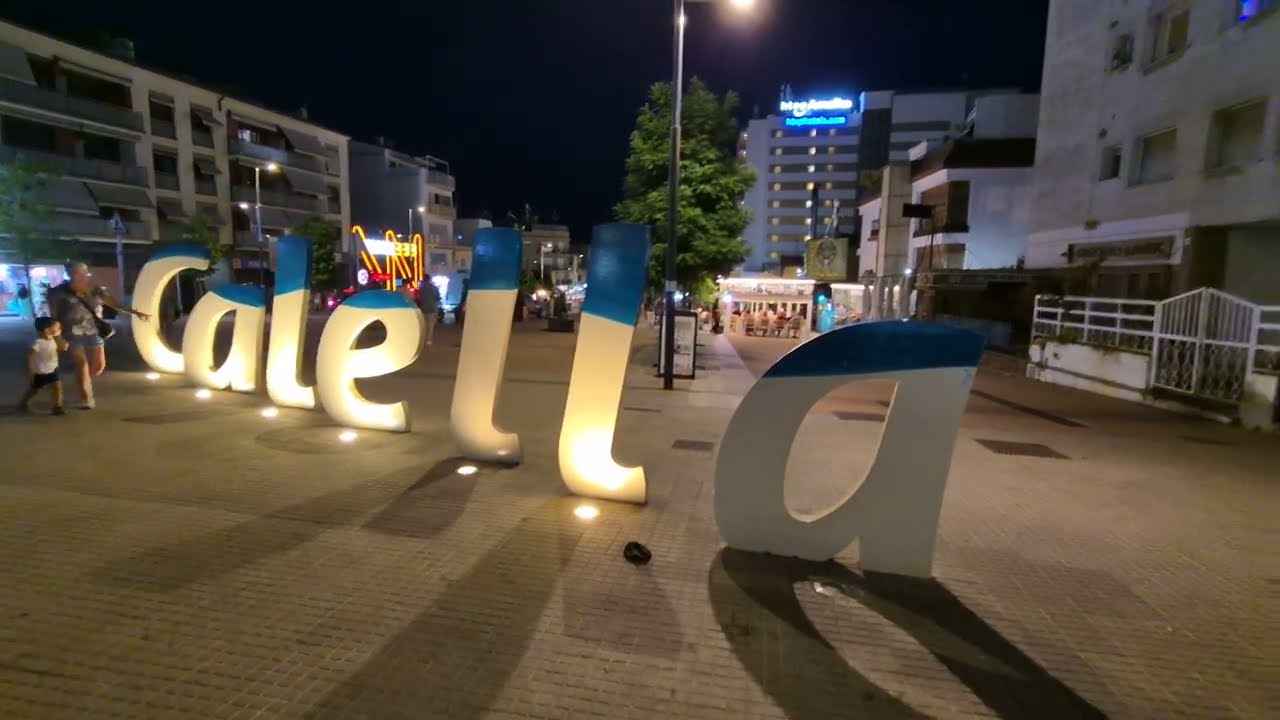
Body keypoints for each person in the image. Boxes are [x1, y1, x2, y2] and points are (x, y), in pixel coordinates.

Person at [47, 262, 149, 410]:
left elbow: (114, 304)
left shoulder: (95, 290)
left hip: (94, 331)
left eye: (84, 273)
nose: (82, 277)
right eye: (78, 273)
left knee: (98, 366)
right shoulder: (58, 292)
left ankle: (83, 383)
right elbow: (54, 316)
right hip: (71, 332)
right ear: (70, 274)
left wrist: (135, 312)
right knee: (81, 364)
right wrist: (57, 337)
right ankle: (86, 398)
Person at [18, 317, 68, 416]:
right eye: (57, 328)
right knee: (35, 389)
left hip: (53, 368)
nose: (59, 330)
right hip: (41, 371)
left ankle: (57, 407)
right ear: (47, 330)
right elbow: (30, 357)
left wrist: (63, 345)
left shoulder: (53, 339)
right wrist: (30, 370)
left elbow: (59, 350)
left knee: (57, 387)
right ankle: (23, 402)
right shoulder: (38, 343)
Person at [418, 280, 441, 345]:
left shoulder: (421, 289)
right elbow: (437, 297)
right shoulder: (434, 288)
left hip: (423, 308)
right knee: (431, 325)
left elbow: (419, 298)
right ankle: (428, 340)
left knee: (424, 325)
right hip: (432, 308)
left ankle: (423, 339)